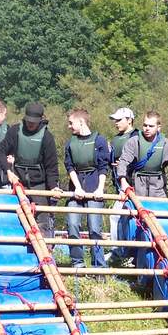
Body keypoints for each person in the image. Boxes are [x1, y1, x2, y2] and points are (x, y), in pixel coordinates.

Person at [0, 102, 63, 238]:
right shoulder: (15, 131)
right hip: (18, 183)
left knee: (42, 222)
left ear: (41, 120)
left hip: (39, 185)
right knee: (17, 219)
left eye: (34, 122)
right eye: (28, 121)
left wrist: (53, 187)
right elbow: (1, 152)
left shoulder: (47, 137)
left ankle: (45, 255)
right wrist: (8, 172)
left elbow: (51, 166)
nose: (30, 124)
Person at [64, 109, 109, 268]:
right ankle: (78, 264)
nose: (69, 126)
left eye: (71, 123)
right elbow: (69, 167)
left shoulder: (100, 141)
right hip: (76, 188)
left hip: (94, 185)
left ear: (81, 122)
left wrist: (100, 189)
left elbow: (104, 167)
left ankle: (99, 267)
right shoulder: (70, 143)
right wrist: (77, 188)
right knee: (73, 224)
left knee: (95, 227)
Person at [107, 107, 139, 264]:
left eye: (119, 120)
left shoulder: (138, 137)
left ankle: (122, 253)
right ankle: (122, 253)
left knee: (119, 216)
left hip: (134, 186)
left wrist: (128, 164)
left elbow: (142, 159)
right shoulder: (115, 139)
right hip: (119, 185)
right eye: (115, 120)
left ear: (129, 120)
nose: (116, 123)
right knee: (118, 217)